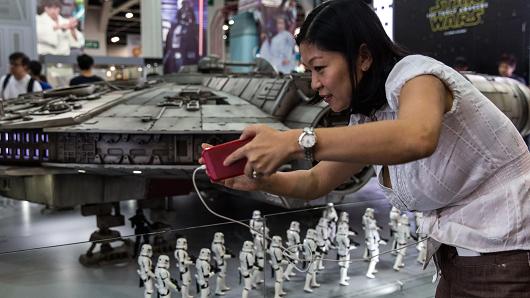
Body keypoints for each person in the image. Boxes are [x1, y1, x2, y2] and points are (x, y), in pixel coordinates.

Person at [200, 0, 530, 296]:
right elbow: (316, 182)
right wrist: (261, 181)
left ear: (364, 56)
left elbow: (416, 137)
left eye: (320, 68)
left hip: (506, 259)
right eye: (309, 71)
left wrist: (294, 141)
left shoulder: (418, 75)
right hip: (459, 259)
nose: (315, 83)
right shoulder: (367, 117)